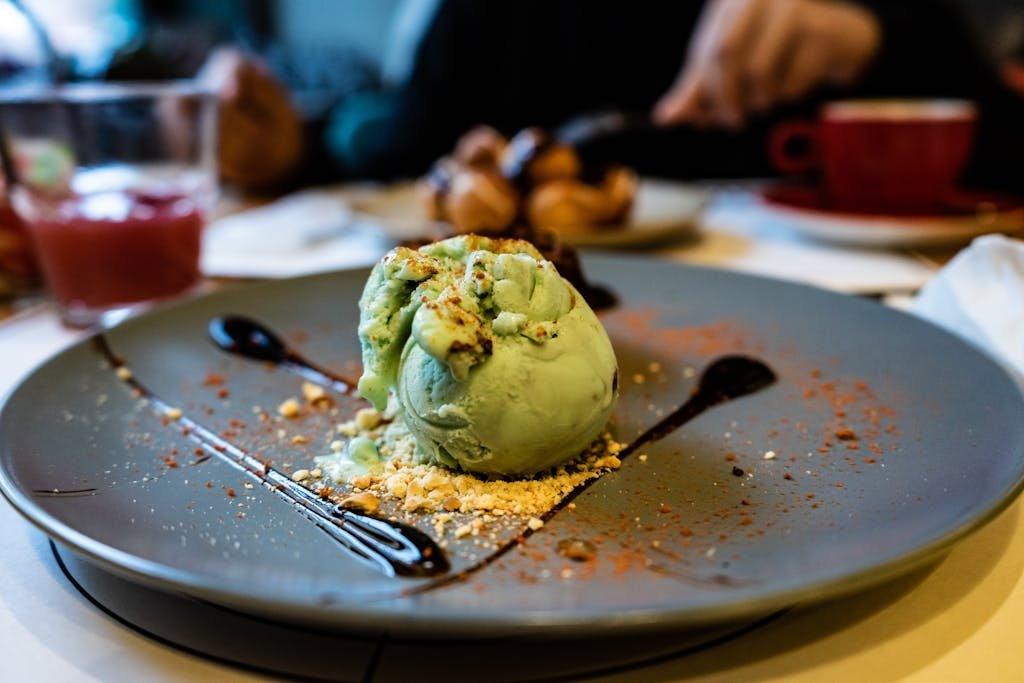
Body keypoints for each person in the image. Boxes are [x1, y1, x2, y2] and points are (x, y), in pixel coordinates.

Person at [334, 0, 1024, 195]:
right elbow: (399, 170)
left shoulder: (897, 18)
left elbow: (1008, 149)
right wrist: (283, 153)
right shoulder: (488, 18)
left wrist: (870, 39)